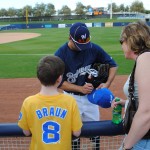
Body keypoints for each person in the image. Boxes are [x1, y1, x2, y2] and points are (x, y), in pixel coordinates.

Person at [55, 22, 118, 149]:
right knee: (74, 133)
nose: (83, 48)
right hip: (71, 99)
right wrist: (79, 88)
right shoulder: (60, 54)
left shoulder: (93, 48)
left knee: (95, 132)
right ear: (69, 38)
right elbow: (58, 82)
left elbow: (113, 65)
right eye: (79, 44)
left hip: (91, 98)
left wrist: (107, 83)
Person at [18, 55, 82, 150]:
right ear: (59, 79)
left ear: (39, 77)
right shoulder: (70, 101)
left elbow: (26, 132)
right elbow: (77, 132)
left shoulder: (29, 102)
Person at [111, 21, 150, 150]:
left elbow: (147, 111)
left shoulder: (145, 59)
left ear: (131, 40)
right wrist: (126, 103)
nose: (121, 45)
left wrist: (126, 145)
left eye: (122, 41)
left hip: (142, 140)